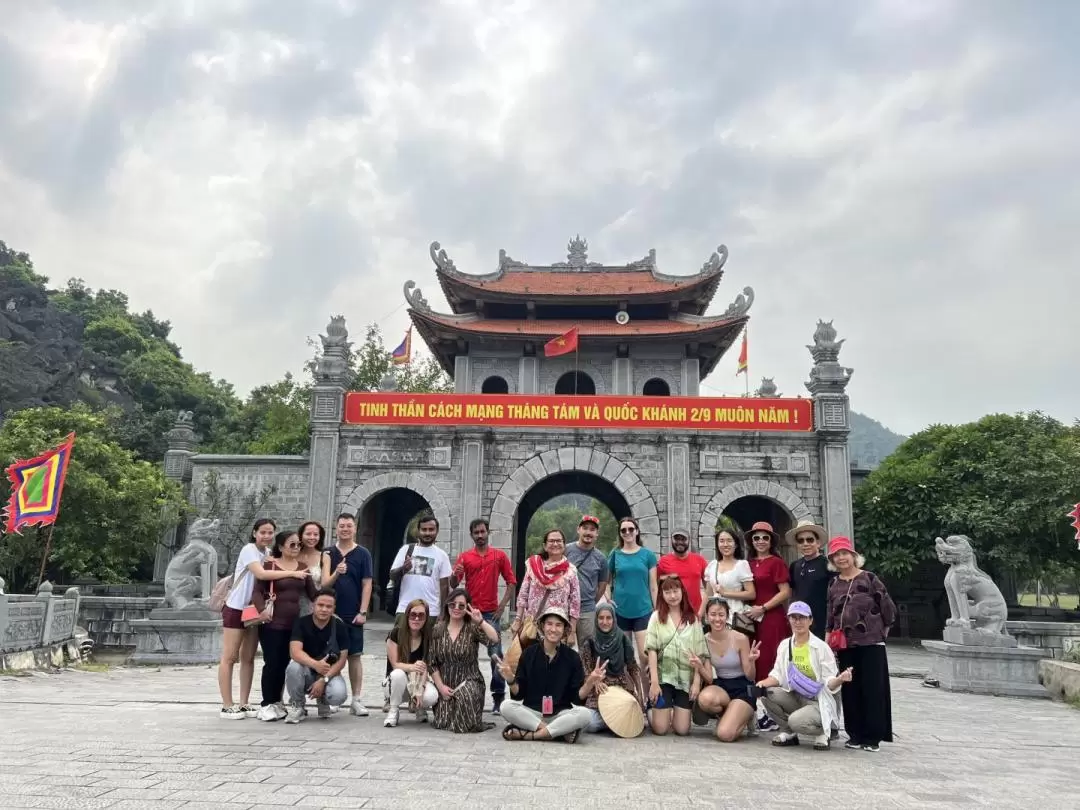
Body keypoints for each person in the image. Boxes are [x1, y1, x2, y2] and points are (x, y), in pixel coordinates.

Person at [218, 518, 309, 719]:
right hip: (236, 607)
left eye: (270, 533)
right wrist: (294, 573)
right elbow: (261, 574)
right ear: (254, 532)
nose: (266, 536)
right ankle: (227, 704)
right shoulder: (249, 549)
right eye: (263, 532)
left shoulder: (267, 554)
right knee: (230, 656)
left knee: (248, 658)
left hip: (254, 611)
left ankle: (243, 702)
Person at [826, 535, 897, 752]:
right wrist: (828, 636)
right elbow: (831, 612)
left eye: (844, 553)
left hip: (871, 642)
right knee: (850, 688)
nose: (841, 558)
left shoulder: (869, 578)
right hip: (846, 644)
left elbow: (888, 608)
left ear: (854, 556)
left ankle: (873, 736)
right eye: (836, 555)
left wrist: (882, 632)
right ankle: (855, 734)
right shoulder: (834, 583)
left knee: (873, 689)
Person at [756, 601, 851, 750]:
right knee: (766, 694)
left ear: (810, 620)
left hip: (817, 700)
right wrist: (762, 684)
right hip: (795, 695)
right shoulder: (785, 645)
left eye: (802, 617)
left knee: (795, 721)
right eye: (794, 617)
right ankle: (789, 733)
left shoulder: (820, 647)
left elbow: (829, 681)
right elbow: (778, 674)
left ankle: (824, 732)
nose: (797, 622)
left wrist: (839, 680)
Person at [498, 606, 596, 743]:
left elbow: (577, 699)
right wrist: (510, 679)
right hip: (532, 713)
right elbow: (518, 695)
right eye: (549, 624)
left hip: (560, 714)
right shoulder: (529, 653)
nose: (553, 629)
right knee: (506, 706)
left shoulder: (573, 657)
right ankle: (557, 732)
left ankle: (531, 735)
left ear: (564, 630)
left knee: (585, 715)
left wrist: (590, 682)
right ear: (542, 626)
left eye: (558, 625)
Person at [451, 517, 517, 714]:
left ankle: (498, 697)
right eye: (476, 533)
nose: (480, 535)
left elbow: (511, 582)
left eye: (482, 532)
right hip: (469, 612)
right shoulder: (465, 557)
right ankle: (461, 693)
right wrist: (456, 574)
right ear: (471, 535)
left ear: (488, 532)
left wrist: (503, 606)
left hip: (490, 614)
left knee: (496, 656)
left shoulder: (498, 556)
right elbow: (454, 584)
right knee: (462, 654)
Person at [251, 529, 318, 721]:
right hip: (272, 622)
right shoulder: (270, 565)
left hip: (293, 624)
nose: (297, 547)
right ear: (281, 546)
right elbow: (257, 591)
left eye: (299, 544)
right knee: (272, 662)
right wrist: (261, 609)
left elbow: (313, 594)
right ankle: (266, 703)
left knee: (286, 664)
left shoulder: (303, 566)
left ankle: (277, 702)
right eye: (292, 544)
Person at [321, 512, 374, 717]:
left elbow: (367, 583)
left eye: (349, 526)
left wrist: (363, 611)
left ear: (355, 528)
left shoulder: (363, 554)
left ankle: (356, 699)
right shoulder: (328, 553)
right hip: (330, 613)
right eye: (341, 525)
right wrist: (337, 571)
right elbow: (325, 583)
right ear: (336, 528)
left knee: (354, 655)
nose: (345, 529)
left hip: (353, 613)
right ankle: (333, 697)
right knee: (331, 656)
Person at [429, 587, 500, 733]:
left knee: (464, 701)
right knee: (444, 722)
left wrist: (481, 622)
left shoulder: (472, 628)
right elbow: (432, 663)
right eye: (452, 604)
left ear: (467, 607)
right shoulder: (437, 629)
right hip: (446, 682)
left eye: (461, 605)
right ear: (447, 605)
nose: (456, 608)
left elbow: (494, 639)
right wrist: (441, 687)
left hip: (470, 679)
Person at [690, 598, 761, 742]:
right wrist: (699, 667)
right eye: (713, 614)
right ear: (706, 617)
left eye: (721, 615)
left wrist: (752, 661)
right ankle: (731, 714)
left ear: (727, 616)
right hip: (722, 686)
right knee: (705, 699)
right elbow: (709, 678)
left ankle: (747, 715)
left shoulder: (740, 638)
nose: (717, 619)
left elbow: (750, 675)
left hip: (743, 687)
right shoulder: (704, 640)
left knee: (724, 734)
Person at [645, 573, 708, 737]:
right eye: (667, 592)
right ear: (662, 595)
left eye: (675, 591)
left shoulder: (693, 619)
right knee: (660, 729)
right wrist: (654, 682)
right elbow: (652, 650)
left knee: (682, 730)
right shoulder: (656, 617)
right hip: (663, 677)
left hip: (684, 678)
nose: (672, 596)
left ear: (682, 591)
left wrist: (696, 682)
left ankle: (671, 713)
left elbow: (700, 654)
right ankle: (651, 710)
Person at [746, 520, 792, 731]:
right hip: (750, 619)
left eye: (765, 537)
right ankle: (757, 709)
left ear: (771, 540)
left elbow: (785, 592)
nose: (761, 541)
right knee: (752, 661)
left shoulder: (776, 562)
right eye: (757, 537)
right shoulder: (747, 562)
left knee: (771, 660)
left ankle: (774, 711)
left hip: (771, 617)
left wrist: (763, 608)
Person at [284, 587, 350, 724]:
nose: (324, 609)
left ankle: (324, 700)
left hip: (328, 673)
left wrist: (323, 680)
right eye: (320, 605)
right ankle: (298, 705)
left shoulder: (339, 626)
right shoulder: (301, 623)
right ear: (313, 605)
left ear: (334, 608)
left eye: (328, 606)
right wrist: (316, 665)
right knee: (293, 668)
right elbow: (294, 652)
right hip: (306, 670)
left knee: (339, 694)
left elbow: (342, 660)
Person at [578, 603, 644, 732]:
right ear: (596, 619)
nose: (605, 622)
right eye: (601, 618)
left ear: (614, 619)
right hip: (599, 689)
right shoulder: (590, 641)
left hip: (620, 688)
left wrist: (640, 696)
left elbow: (633, 668)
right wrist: (594, 680)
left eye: (609, 618)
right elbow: (586, 671)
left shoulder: (623, 639)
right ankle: (613, 722)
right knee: (590, 724)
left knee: (631, 714)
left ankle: (615, 721)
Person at [512, 529, 581, 646]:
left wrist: (572, 631)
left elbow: (575, 602)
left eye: (559, 541)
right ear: (545, 546)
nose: (555, 544)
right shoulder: (533, 566)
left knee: (555, 662)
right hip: (533, 627)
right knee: (531, 660)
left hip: (557, 628)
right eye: (551, 541)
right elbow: (523, 594)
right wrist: (518, 620)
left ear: (564, 545)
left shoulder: (570, 571)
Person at [608, 517, 657, 667]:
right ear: (620, 533)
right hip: (621, 610)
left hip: (643, 609)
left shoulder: (648, 555)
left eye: (631, 529)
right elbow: (606, 581)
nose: (627, 532)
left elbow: (653, 584)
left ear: (637, 531)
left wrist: (657, 609)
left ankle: (646, 690)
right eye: (623, 530)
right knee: (625, 656)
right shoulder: (615, 555)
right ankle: (630, 690)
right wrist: (609, 599)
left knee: (645, 656)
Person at [384, 598, 437, 728]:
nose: (416, 619)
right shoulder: (396, 633)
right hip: (396, 684)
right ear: (407, 615)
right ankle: (393, 709)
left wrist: (420, 689)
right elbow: (395, 664)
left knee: (431, 696)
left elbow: (426, 667)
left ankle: (420, 707)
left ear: (426, 618)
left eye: (421, 615)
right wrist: (413, 667)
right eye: (413, 614)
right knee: (397, 674)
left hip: (418, 680)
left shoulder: (428, 636)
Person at [389, 512, 452, 617]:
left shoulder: (442, 555)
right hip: (405, 609)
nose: (427, 533)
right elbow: (392, 576)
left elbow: (444, 587)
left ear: (437, 532)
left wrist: (443, 614)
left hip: (431, 612)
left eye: (431, 530)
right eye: (424, 529)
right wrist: (403, 569)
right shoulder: (406, 550)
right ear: (418, 531)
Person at [564, 514, 610, 646]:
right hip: (564, 608)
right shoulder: (566, 550)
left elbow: (602, 585)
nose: (588, 532)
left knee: (587, 650)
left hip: (587, 610)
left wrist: (591, 601)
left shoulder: (601, 558)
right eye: (585, 528)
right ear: (578, 529)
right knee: (562, 648)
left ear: (597, 534)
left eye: (592, 529)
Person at [703, 527, 756, 634]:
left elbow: (751, 593)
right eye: (721, 541)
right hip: (715, 616)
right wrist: (704, 614)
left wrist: (725, 593)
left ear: (736, 544)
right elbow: (708, 594)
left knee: (733, 649)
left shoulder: (741, 565)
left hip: (735, 616)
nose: (725, 544)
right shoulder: (712, 565)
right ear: (717, 544)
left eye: (729, 540)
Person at [786, 520, 833, 639]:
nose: (805, 543)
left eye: (810, 539)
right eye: (801, 540)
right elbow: (792, 594)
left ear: (818, 542)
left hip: (822, 623)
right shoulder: (794, 566)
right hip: (800, 622)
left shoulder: (828, 564)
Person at [657, 528, 708, 618]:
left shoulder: (700, 560)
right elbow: (658, 589)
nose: (680, 542)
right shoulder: (663, 561)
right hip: (672, 613)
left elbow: (709, 588)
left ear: (689, 540)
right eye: (676, 539)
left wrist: (703, 610)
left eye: (683, 539)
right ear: (671, 540)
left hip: (696, 612)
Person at [296, 520, 327, 617]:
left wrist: (337, 572)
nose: (312, 537)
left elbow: (325, 584)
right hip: (290, 605)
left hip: (313, 607)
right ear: (301, 535)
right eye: (308, 534)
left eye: (316, 534)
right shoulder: (292, 554)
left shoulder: (324, 556)